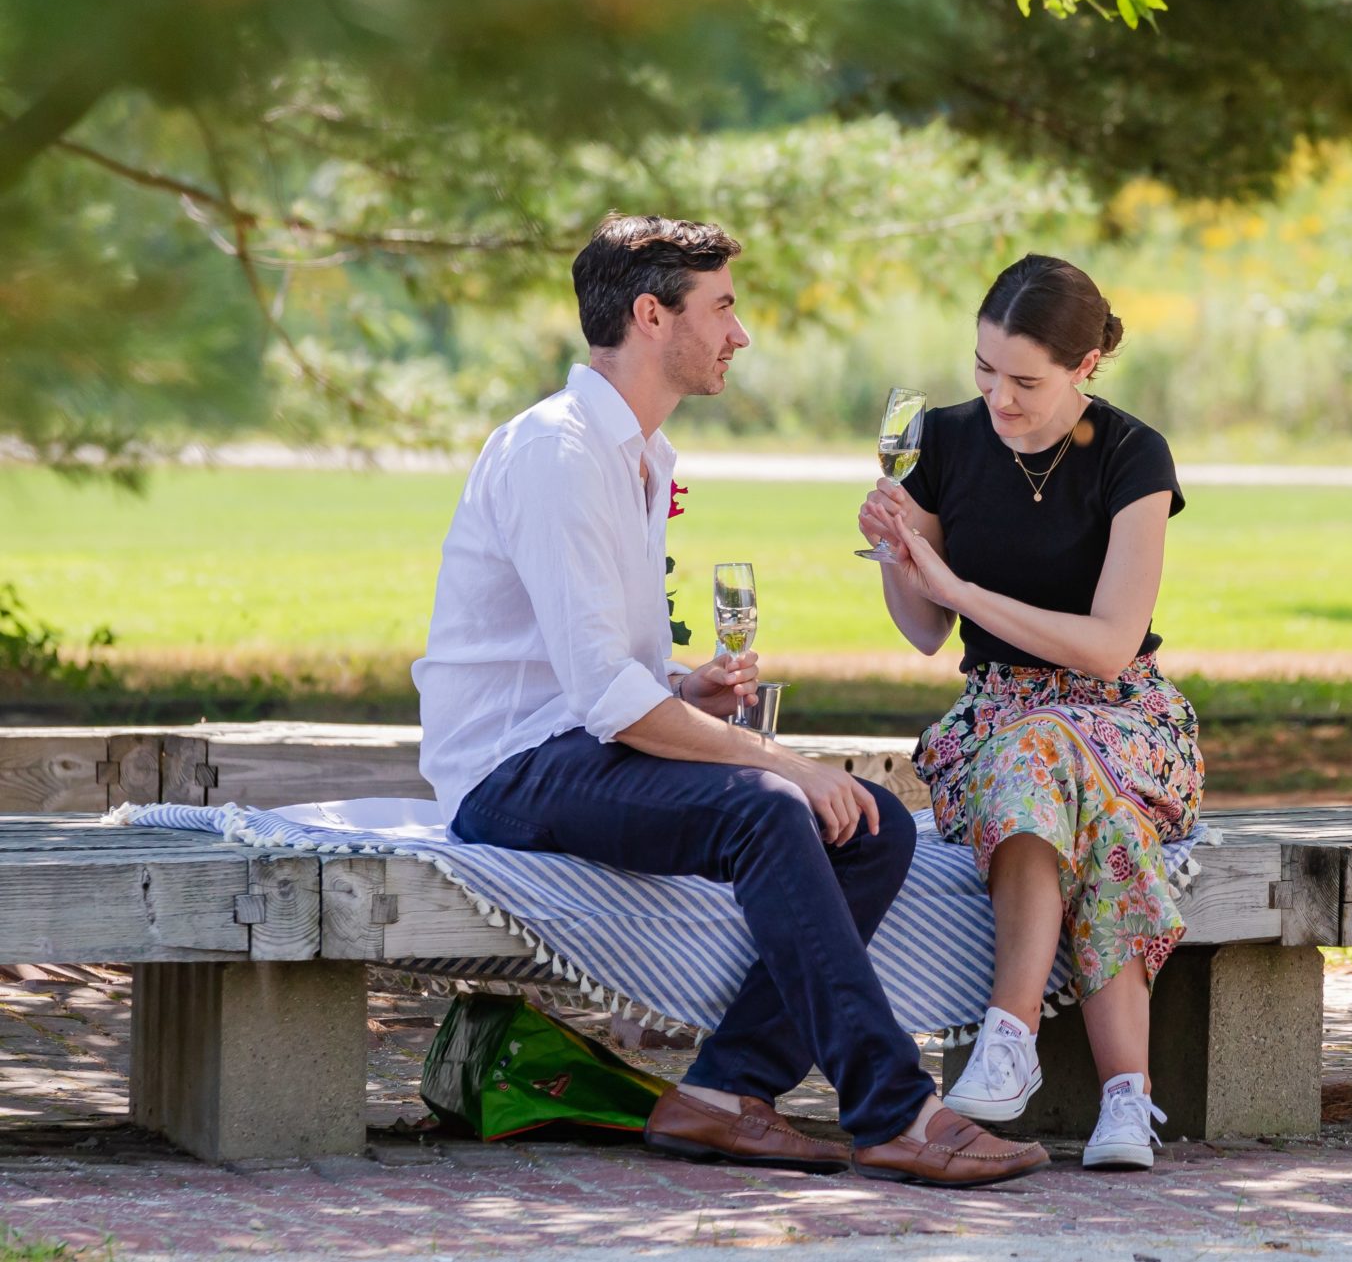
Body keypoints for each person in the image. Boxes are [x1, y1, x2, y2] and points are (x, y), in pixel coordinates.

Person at [413, 214, 1045, 1187]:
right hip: (509, 768)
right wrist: (778, 760)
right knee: (769, 806)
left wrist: (683, 688)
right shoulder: (559, 450)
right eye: (723, 308)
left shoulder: (639, 455)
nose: (739, 334)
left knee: (872, 823)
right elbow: (597, 699)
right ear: (652, 314)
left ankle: (721, 1092)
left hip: (577, 742)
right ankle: (894, 1108)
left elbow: (600, 676)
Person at [861, 254, 1198, 1172]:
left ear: (1087, 366)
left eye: (1025, 380)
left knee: (1045, 753)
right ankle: (1127, 1100)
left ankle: (1006, 1041)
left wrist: (960, 584)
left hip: (1122, 715)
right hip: (997, 719)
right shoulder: (943, 439)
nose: (998, 397)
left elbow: (1108, 644)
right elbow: (927, 631)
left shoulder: (1135, 455)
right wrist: (900, 552)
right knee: (1100, 821)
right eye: (983, 368)